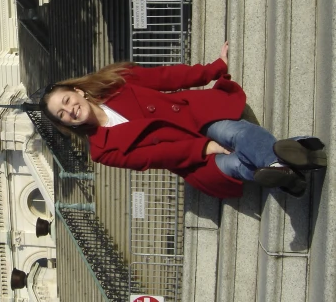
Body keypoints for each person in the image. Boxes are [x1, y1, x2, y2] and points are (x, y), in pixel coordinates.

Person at [39, 42, 327, 198]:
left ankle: (286, 173)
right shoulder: (101, 150)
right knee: (235, 165)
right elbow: (156, 156)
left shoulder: (116, 80)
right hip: (190, 158)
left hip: (193, 116)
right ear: (68, 125)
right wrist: (204, 149)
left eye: (66, 101)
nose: (70, 110)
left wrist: (213, 69)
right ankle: (289, 160)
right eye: (62, 115)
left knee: (237, 134)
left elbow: (167, 78)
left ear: (77, 91)